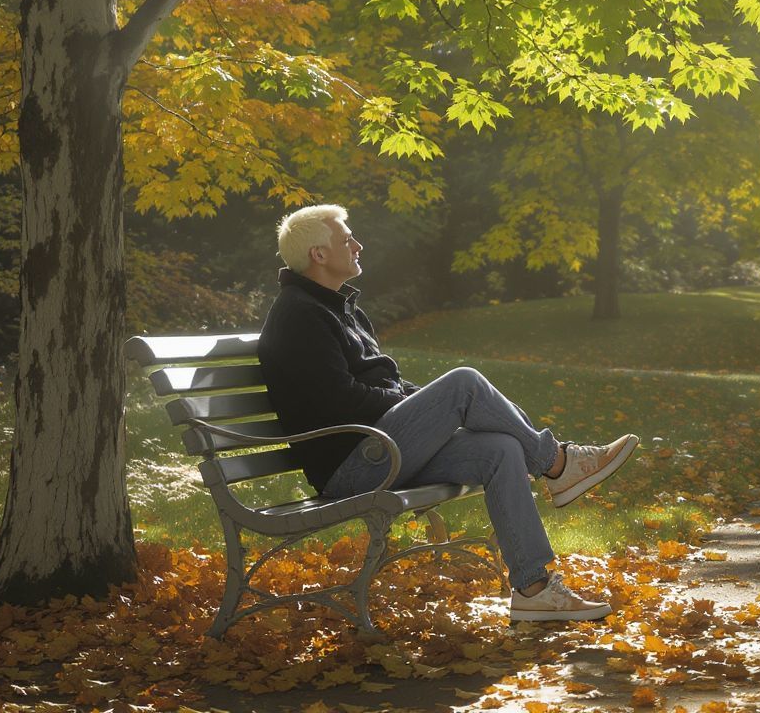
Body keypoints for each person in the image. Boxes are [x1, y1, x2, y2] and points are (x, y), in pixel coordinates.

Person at [258, 204, 639, 621]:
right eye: (346, 238)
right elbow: (339, 399)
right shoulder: (299, 316)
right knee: (463, 382)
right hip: (352, 466)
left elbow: (384, 387)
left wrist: (428, 408)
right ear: (319, 254)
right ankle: (559, 463)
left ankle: (534, 589)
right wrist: (430, 407)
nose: (357, 244)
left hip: (382, 449)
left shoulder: (338, 308)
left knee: (500, 449)